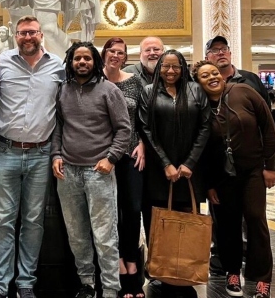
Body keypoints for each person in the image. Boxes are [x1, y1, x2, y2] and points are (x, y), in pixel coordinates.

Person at [0, 16, 64, 298]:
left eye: (32, 32)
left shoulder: (58, 67)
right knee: (3, 220)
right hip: (6, 151)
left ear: (41, 34)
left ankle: (25, 282)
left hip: (41, 154)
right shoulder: (1, 63)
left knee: (33, 221)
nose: (27, 37)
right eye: (22, 33)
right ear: (15, 36)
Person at [192, 61, 275, 298]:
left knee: (255, 217)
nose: (211, 77)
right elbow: (203, 152)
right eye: (204, 76)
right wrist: (208, 185)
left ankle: (261, 277)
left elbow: (268, 128)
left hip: (252, 171)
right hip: (222, 177)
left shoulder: (243, 92)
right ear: (198, 83)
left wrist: (270, 166)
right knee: (226, 224)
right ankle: (232, 271)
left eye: (214, 73)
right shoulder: (200, 109)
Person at [52, 42, 130, 298]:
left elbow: (124, 130)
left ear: (95, 62)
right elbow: (59, 127)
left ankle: (110, 288)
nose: (82, 62)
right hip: (68, 172)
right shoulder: (63, 90)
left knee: (105, 235)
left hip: (99, 172)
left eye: (87, 58)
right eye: (77, 59)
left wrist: (111, 158)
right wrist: (55, 155)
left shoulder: (109, 90)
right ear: (71, 62)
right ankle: (87, 283)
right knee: (76, 234)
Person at [137, 50, 210, 298]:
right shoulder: (149, 92)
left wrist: (190, 162)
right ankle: (160, 272)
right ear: (159, 69)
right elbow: (146, 130)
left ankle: (184, 271)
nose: (170, 71)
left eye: (175, 67)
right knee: (157, 223)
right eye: (166, 67)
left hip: (190, 173)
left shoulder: (195, 90)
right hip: (159, 173)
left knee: (186, 224)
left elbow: (205, 126)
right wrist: (165, 163)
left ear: (183, 68)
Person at [101, 38, 144, 298]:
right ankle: (114, 265)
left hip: (130, 154)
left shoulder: (135, 82)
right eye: (111, 51)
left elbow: (143, 118)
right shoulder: (95, 81)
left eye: (121, 52)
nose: (116, 55)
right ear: (103, 54)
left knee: (132, 209)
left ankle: (131, 263)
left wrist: (144, 146)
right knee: (108, 213)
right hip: (102, 156)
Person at [205, 36, 270, 108]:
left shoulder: (251, 78)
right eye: (215, 50)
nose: (221, 53)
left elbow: (266, 108)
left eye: (224, 49)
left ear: (230, 54)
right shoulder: (205, 84)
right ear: (207, 59)